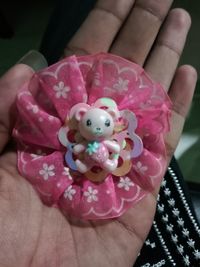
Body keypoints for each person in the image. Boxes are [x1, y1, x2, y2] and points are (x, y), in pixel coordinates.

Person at [0, 0, 198, 266]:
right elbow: (77, 153)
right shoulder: (76, 132)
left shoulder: (116, 134)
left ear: (115, 122)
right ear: (80, 116)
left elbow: (117, 150)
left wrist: (109, 153)